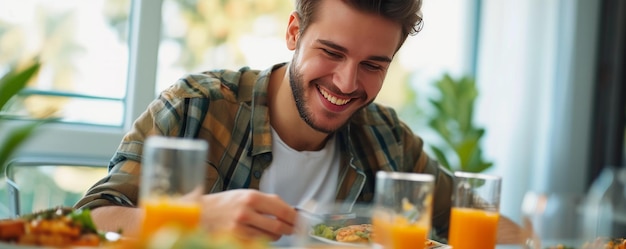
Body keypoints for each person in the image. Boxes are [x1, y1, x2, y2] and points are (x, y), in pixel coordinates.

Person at [75, 0, 522, 245]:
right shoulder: (196, 108)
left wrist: (527, 242)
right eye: (331, 52)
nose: (347, 83)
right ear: (293, 32)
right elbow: (87, 220)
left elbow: (483, 224)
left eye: (373, 64)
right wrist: (196, 217)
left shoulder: (387, 139)